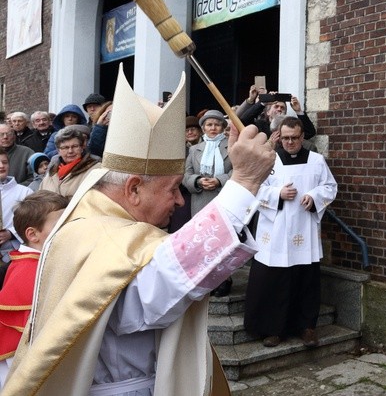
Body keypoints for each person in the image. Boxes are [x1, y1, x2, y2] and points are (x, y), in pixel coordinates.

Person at [2, 68, 275, 395]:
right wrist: (244, 184)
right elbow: (164, 284)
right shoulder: (106, 236)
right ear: (133, 189)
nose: (178, 200)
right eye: (173, 188)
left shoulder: (85, 220)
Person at [244, 116, 337, 348]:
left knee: (305, 281)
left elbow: (329, 187)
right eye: (285, 138)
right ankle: (274, 329)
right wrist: (278, 195)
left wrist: (314, 196)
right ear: (279, 137)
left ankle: (307, 328)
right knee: (276, 283)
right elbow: (254, 189)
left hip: (304, 231)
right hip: (275, 232)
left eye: (294, 138)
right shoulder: (269, 160)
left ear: (302, 136)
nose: (290, 142)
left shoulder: (316, 161)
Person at [0, 191, 68, 387]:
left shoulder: (32, 262)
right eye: (59, 225)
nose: (66, 230)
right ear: (32, 234)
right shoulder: (31, 271)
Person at [182, 110, 234, 297]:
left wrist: (219, 180)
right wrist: (197, 181)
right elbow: (185, 175)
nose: (213, 128)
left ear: (222, 127)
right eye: (209, 125)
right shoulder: (194, 149)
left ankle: (224, 279)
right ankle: (205, 279)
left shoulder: (231, 146)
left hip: (223, 199)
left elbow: (238, 171)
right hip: (201, 200)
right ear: (203, 127)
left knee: (223, 241)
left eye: (217, 125)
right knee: (203, 241)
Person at [236, 85, 317, 142]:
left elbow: (310, 133)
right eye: (276, 106)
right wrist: (262, 103)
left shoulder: (291, 125)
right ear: (267, 112)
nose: (279, 109)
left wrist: (298, 111)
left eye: (282, 107)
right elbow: (243, 121)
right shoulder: (260, 125)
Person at [39, 127, 101, 199]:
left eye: (75, 146)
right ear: (58, 150)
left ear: (82, 147)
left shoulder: (95, 169)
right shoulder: (51, 172)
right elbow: (40, 199)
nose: (70, 151)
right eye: (65, 147)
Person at [0, 149, 34, 264]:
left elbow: (32, 221)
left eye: (4, 162)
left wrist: (11, 233)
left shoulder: (25, 192)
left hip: (13, 253)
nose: (1, 166)